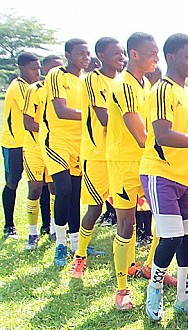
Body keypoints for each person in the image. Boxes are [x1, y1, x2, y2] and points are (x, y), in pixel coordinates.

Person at [140, 33, 188, 322]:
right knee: (170, 237)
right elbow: (164, 134)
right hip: (161, 174)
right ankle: (154, 290)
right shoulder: (162, 90)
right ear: (171, 57)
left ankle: (184, 299)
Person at [106, 32, 159, 310]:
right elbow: (142, 136)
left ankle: (148, 266)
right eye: (152, 53)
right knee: (126, 224)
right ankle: (122, 289)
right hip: (124, 163)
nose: (157, 58)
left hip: (147, 162)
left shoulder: (146, 85)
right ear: (134, 53)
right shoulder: (124, 86)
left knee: (162, 218)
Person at [70, 37, 125, 278]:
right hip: (97, 155)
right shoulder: (93, 79)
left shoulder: (125, 81)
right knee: (95, 207)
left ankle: (129, 263)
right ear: (101, 56)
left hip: (121, 155)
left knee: (127, 211)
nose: (121, 58)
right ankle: (79, 256)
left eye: (123, 53)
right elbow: (104, 118)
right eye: (116, 54)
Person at [40, 38, 90, 267]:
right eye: (81, 53)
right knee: (64, 190)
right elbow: (61, 110)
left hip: (79, 143)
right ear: (68, 54)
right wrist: (91, 115)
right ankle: (60, 243)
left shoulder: (86, 80)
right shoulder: (56, 75)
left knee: (75, 194)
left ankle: (75, 242)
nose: (85, 58)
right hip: (57, 140)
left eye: (87, 54)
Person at [22, 55, 63, 250]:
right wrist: (50, 127)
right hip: (35, 148)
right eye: (53, 68)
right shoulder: (34, 90)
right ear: (46, 70)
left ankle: (55, 229)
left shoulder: (64, 92)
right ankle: (32, 232)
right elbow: (28, 122)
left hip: (55, 147)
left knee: (56, 189)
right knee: (35, 189)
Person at [2, 52, 40, 239]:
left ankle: (45, 226)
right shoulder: (19, 87)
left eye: (39, 68)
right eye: (34, 69)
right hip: (14, 143)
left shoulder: (31, 86)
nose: (38, 72)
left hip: (31, 143)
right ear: (21, 68)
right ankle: (9, 225)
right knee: (12, 182)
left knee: (38, 184)